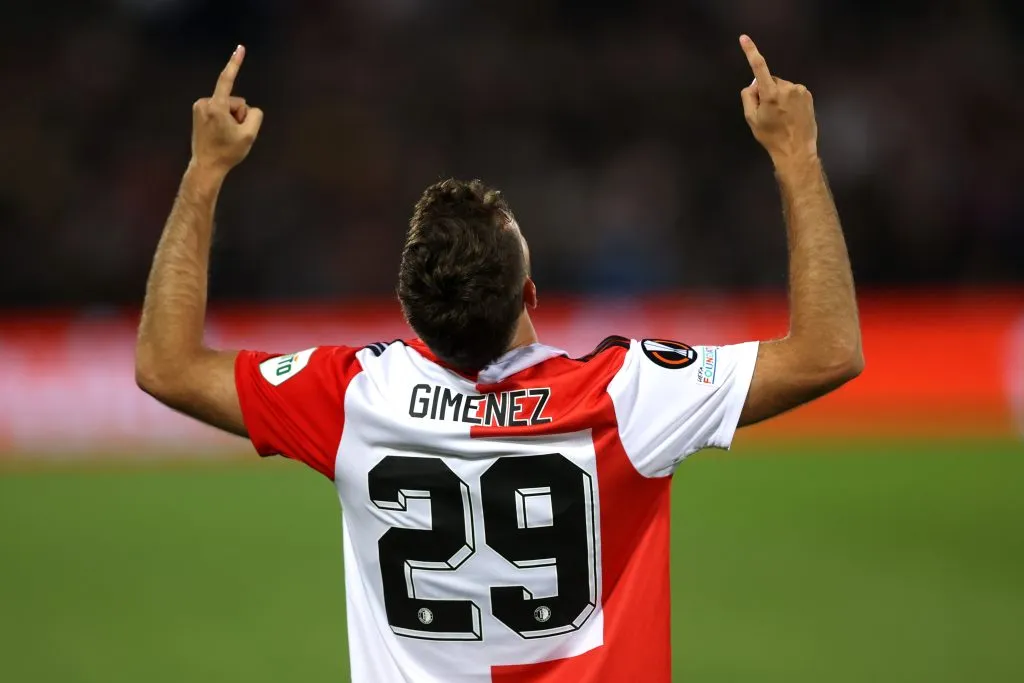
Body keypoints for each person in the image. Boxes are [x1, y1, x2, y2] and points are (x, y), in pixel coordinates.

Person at [136, 35, 862, 683]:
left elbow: (166, 366)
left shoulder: (354, 398)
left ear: (412, 313)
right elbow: (828, 352)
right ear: (532, 292)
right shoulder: (622, 396)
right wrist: (795, 155)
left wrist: (205, 170)